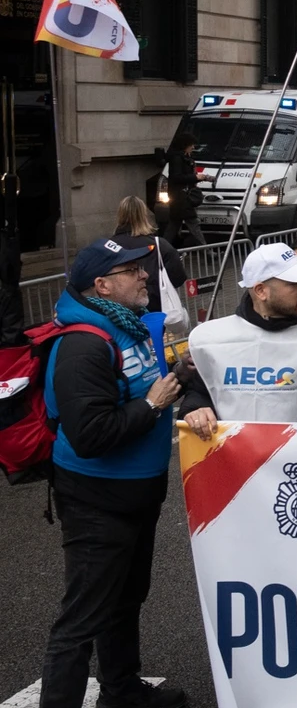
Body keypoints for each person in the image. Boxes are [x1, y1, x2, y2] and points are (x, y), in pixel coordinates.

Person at [39, 237, 188, 708]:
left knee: (125, 599)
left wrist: (180, 375)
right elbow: (91, 434)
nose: (144, 274)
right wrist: (152, 404)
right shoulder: (84, 344)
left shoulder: (130, 326)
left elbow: (148, 382)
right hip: (96, 500)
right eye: (131, 270)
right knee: (82, 618)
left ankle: (121, 691)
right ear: (102, 285)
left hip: (138, 495)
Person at [180, 243, 297, 431]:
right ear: (261, 291)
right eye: (294, 283)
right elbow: (201, 390)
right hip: (238, 457)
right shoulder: (214, 339)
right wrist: (195, 408)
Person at [112, 196, 184, 318]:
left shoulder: (110, 246)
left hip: (119, 308)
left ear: (120, 215)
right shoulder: (160, 244)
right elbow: (178, 277)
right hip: (154, 305)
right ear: (143, 215)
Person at [160, 133, 201, 246]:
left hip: (180, 197)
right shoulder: (177, 158)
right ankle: (207, 251)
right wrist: (195, 177)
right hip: (181, 197)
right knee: (193, 225)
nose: (193, 147)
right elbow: (176, 177)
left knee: (173, 226)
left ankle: (162, 249)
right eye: (191, 145)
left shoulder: (183, 157)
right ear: (185, 145)